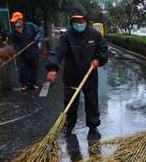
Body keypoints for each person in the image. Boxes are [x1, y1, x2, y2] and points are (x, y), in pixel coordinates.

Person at [46, 9, 108, 137]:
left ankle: (93, 126)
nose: (78, 23)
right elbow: (57, 52)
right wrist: (52, 68)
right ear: (71, 22)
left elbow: (103, 49)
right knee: (70, 104)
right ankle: (68, 126)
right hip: (72, 77)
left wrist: (98, 59)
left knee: (92, 102)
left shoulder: (94, 35)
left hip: (89, 76)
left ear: (86, 21)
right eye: (75, 21)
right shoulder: (66, 37)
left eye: (81, 21)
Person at [9, 12, 43, 91]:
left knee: (34, 68)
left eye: (17, 21)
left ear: (21, 20)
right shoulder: (13, 31)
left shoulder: (30, 26)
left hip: (33, 51)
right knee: (23, 69)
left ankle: (34, 83)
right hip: (22, 53)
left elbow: (39, 32)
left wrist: (37, 37)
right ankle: (24, 84)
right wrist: (17, 49)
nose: (16, 23)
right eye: (15, 21)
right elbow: (14, 43)